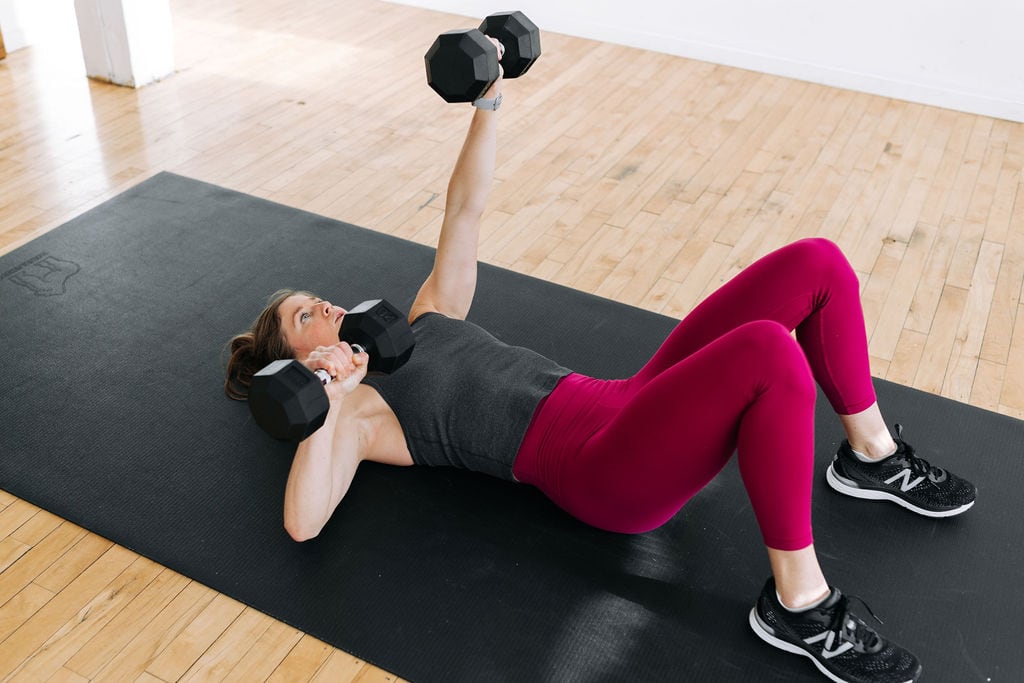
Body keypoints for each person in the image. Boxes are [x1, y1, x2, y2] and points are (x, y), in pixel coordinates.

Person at [224, 56, 975, 683]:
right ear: (297, 357)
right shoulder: (356, 412)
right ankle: (800, 604)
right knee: (769, 355)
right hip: (596, 470)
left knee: (816, 263)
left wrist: (486, 103)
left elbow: (464, 215)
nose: (321, 303)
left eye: (313, 298)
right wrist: (323, 398)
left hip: (621, 399)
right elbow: (302, 521)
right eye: (304, 315)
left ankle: (872, 456)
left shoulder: (423, 318)